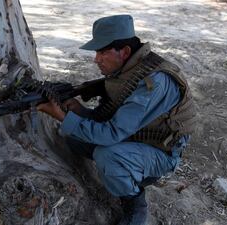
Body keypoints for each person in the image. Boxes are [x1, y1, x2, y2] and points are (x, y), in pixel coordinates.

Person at [37, 15, 196, 225]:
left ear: (125, 52)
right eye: (96, 52)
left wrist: (62, 116)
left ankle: (134, 202)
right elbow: (113, 116)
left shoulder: (154, 83)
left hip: (162, 151)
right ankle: (121, 172)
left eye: (102, 52)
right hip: (136, 136)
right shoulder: (129, 68)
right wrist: (78, 110)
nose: (96, 59)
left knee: (108, 155)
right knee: (75, 139)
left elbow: (111, 133)